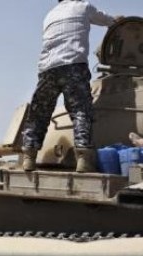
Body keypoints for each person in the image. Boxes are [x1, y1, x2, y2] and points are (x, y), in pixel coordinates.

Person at [22, 0, 123, 172]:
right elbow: (110, 22)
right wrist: (117, 20)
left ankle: (28, 158)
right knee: (81, 111)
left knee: (39, 113)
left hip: (47, 69)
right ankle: (83, 160)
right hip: (73, 64)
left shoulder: (50, 14)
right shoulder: (83, 6)